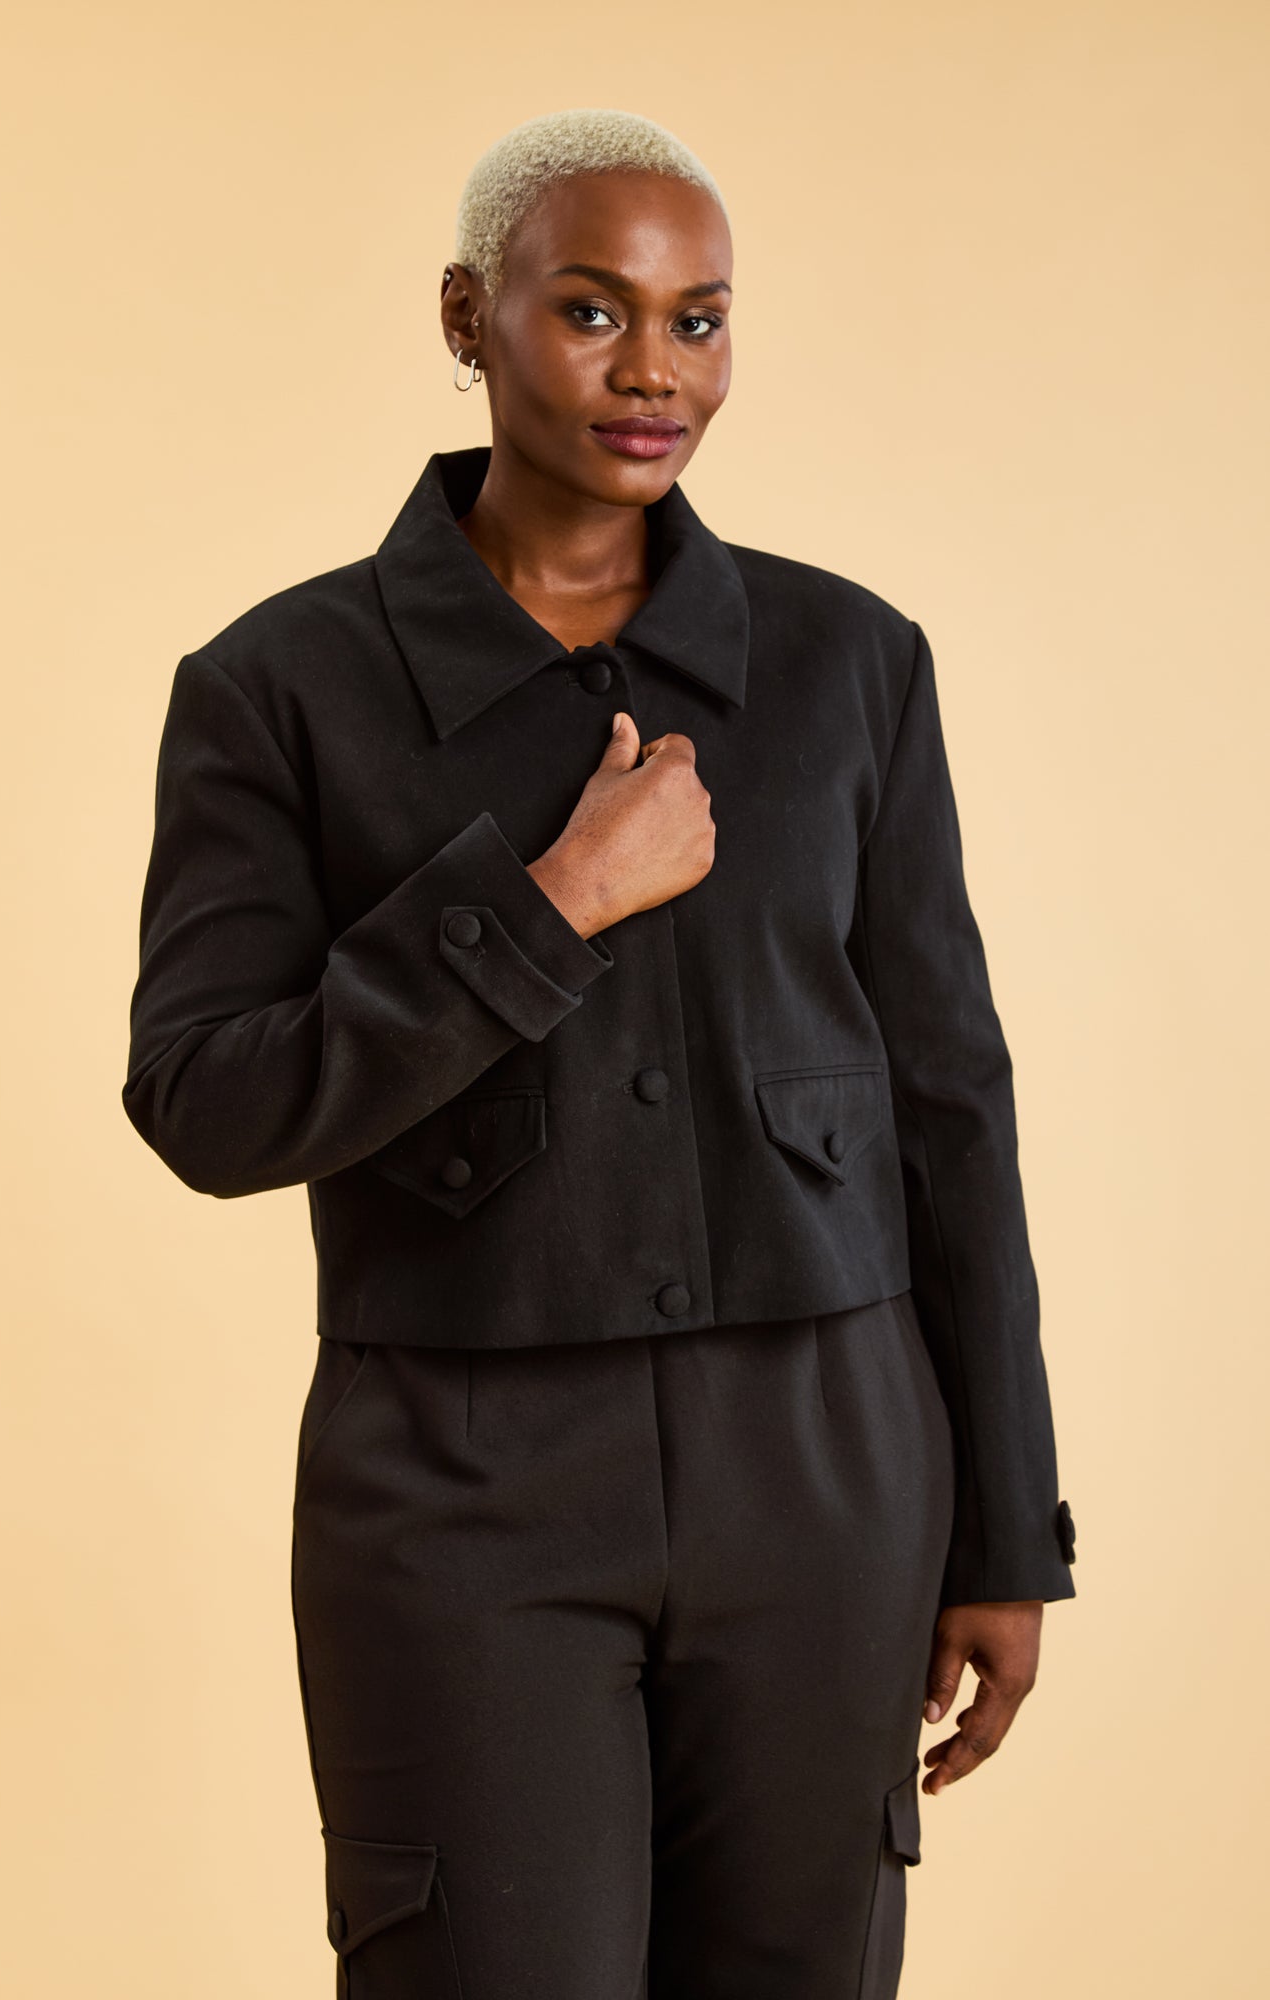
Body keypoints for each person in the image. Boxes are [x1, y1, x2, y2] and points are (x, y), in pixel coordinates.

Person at [123, 106, 1077, 2000]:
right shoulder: (277, 690)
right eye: (590, 311)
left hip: (827, 1464)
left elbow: (947, 1105)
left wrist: (1004, 1527)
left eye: (700, 320)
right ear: (467, 319)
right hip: (463, 1486)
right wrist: (547, 904)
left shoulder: (849, 665)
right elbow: (209, 1101)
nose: (656, 371)